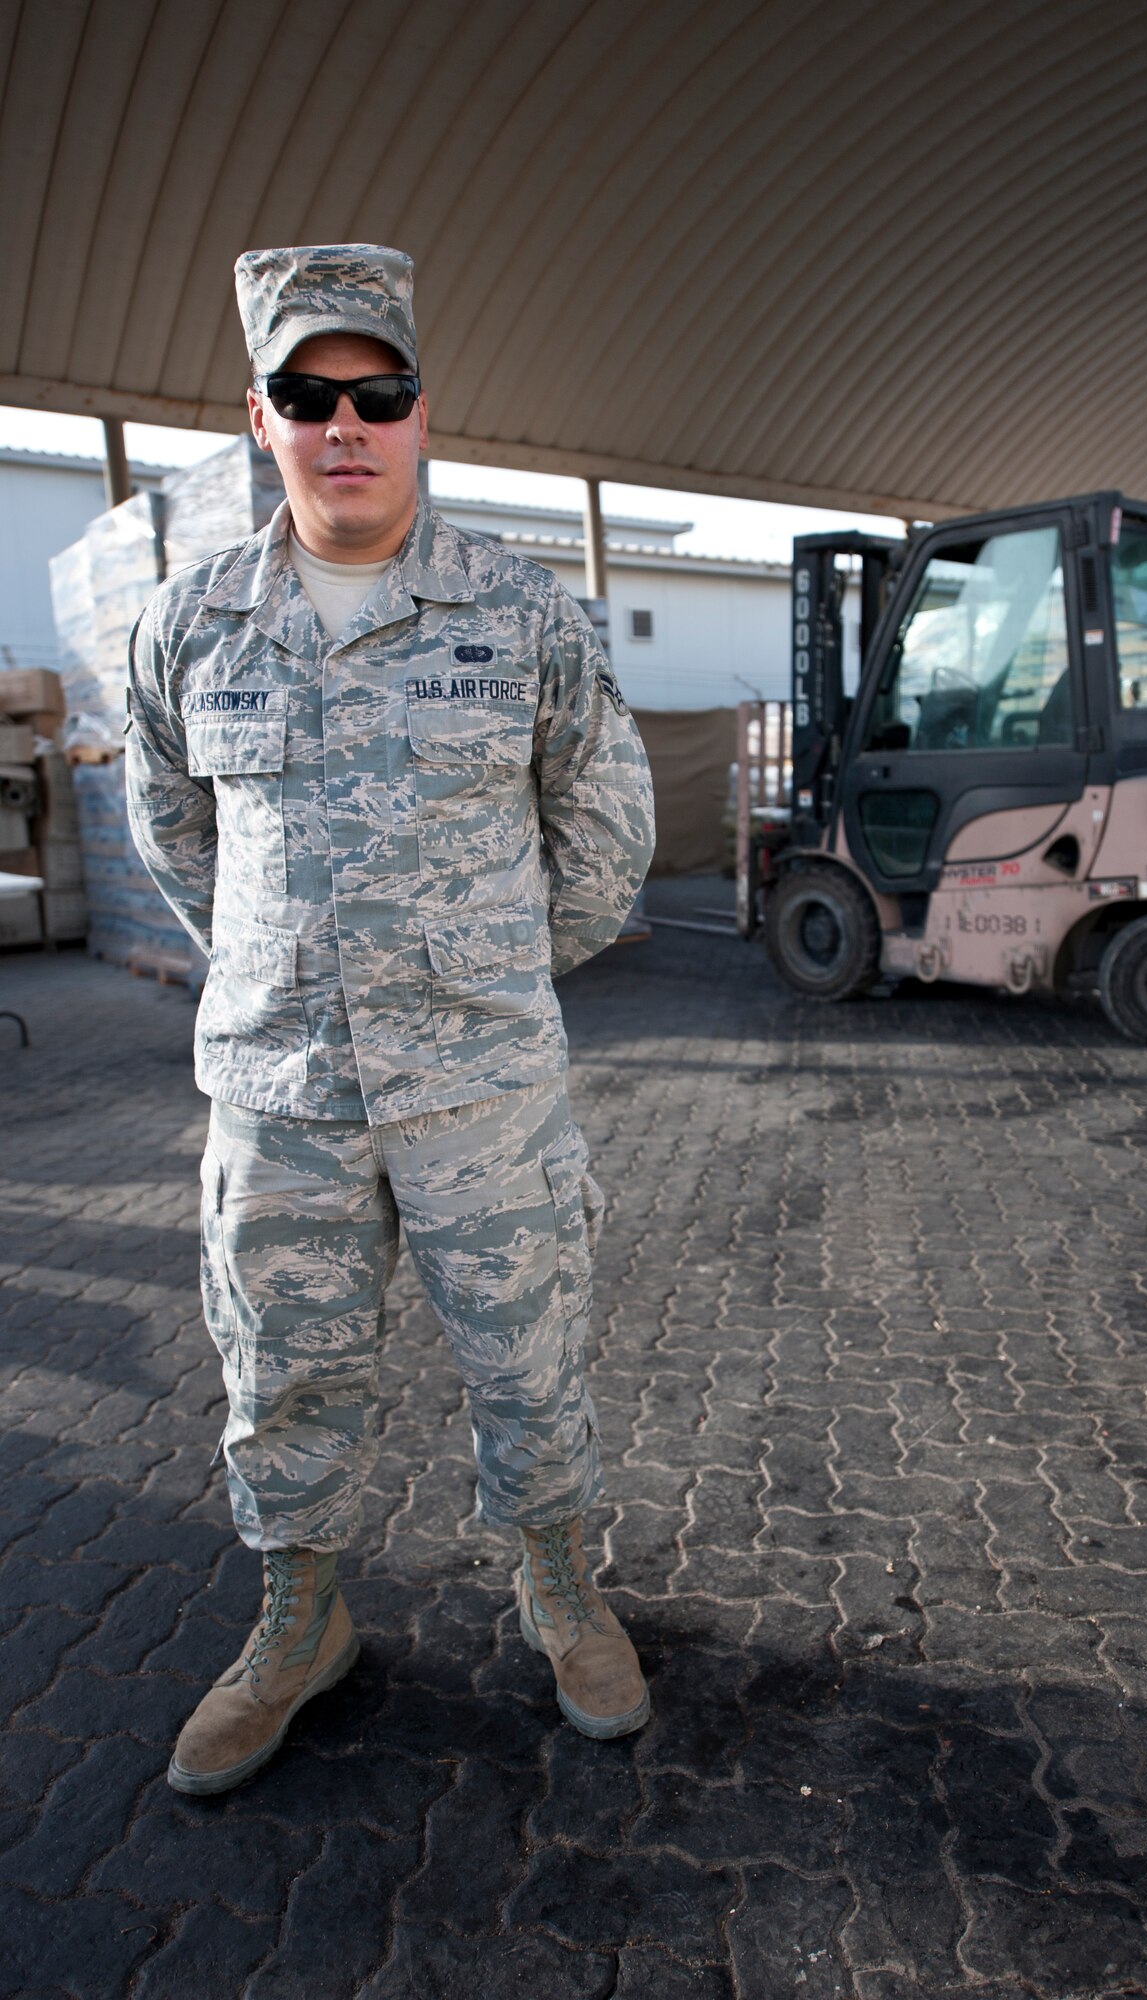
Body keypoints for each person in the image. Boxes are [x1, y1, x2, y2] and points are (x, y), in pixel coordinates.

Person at [125, 244, 656, 1795]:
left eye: (378, 393)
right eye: (309, 396)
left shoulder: (524, 613)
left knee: (529, 1355)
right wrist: (286, 970)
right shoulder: (192, 622)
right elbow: (180, 846)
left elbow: (606, 838)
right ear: (261, 417)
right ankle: (302, 1620)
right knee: (280, 1368)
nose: (344, 423)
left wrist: (480, 977)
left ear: (424, 415)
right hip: (283, 1093)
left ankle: (559, 1587)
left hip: (482, 1083)